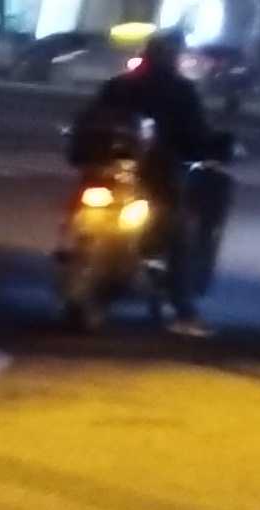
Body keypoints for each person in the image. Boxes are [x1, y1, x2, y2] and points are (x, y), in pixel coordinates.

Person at [67, 37, 233, 325]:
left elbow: (88, 122)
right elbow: (196, 137)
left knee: (84, 212)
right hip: (151, 176)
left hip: (107, 171)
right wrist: (212, 147)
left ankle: (174, 300)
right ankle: (183, 307)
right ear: (173, 58)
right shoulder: (180, 91)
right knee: (177, 230)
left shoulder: (119, 85)